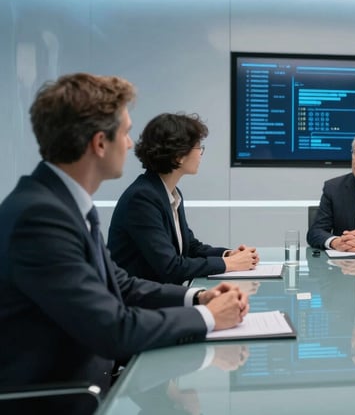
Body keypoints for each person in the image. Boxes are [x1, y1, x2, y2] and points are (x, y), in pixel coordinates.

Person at [0, 73, 248, 414]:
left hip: (92, 385)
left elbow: (122, 284)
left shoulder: (61, 205)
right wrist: (207, 316)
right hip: (63, 400)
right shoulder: (40, 218)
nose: (131, 145)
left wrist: (198, 297)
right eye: (126, 132)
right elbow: (113, 329)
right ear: (100, 143)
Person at [108, 113, 259, 284]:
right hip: (140, 298)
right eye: (198, 147)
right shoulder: (142, 198)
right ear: (178, 156)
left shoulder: (169, 193)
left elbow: (190, 247)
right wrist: (229, 264)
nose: (201, 153)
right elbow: (171, 267)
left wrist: (228, 255)